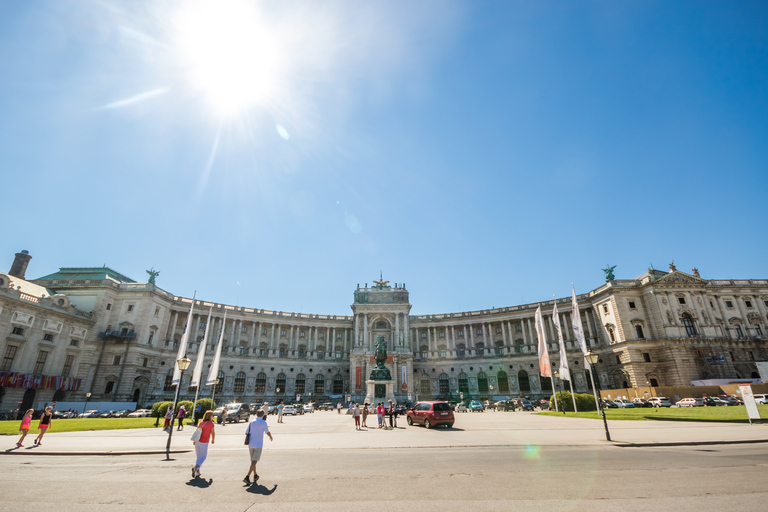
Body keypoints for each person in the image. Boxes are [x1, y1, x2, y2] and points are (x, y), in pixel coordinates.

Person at [244, 410, 273, 485]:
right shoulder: (263, 422)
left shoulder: (251, 422)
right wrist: (270, 437)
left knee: (253, 461)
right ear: (263, 415)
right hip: (258, 444)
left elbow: (246, 432)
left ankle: (255, 475)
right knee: (254, 461)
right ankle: (247, 476)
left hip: (251, 444)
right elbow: (267, 431)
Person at [192, 410, 215, 479]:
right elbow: (213, 432)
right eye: (212, 415)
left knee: (198, 457)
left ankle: (197, 472)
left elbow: (197, 431)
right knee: (203, 457)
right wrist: (213, 439)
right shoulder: (211, 424)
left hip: (197, 441)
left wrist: (194, 440)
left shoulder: (201, 423)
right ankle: (195, 467)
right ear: (210, 416)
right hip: (204, 442)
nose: (213, 416)